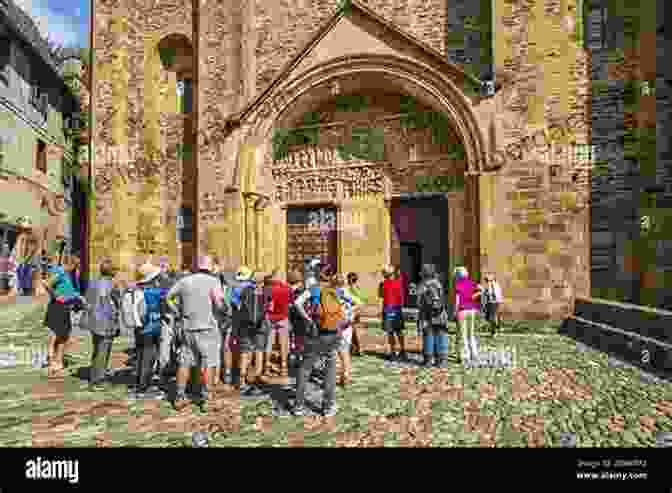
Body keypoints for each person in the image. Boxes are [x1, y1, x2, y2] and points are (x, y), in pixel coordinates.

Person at [166, 256, 226, 412]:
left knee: (184, 362)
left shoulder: (185, 281)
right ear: (211, 267)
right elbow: (219, 305)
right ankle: (207, 399)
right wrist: (223, 311)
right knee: (208, 363)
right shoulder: (213, 282)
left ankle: (179, 397)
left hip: (187, 327)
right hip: (207, 327)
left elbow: (168, 297)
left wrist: (177, 311)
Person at [293, 268, 345, 417]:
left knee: (305, 368)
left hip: (315, 332)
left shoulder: (313, 289)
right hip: (333, 333)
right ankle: (328, 407)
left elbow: (297, 303)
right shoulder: (335, 290)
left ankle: (298, 406)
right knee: (330, 370)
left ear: (317, 275)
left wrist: (307, 319)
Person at [42, 256, 85, 378]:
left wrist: (80, 298)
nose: (77, 269)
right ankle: (55, 362)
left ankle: (55, 361)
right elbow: (46, 283)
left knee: (59, 335)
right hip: (59, 307)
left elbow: (70, 291)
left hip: (62, 306)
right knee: (60, 336)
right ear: (71, 265)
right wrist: (56, 296)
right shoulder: (61, 272)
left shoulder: (67, 274)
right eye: (76, 266)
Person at [130, 263, 169, 399]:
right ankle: (143, 389)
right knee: (149, 357)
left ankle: (139, 384)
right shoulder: (155, 292)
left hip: (139, 328)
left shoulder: (137, 290)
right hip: (151, 328)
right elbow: (167, 302)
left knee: (140, 356)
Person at [84, 258, 120, 391]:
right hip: (106, 321)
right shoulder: (111, 285)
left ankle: (95, 374)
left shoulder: (93, 282)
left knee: (97, 350)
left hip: (94, 320)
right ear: (111, 271)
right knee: (103, 351)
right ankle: (97, 380)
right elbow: (116, 302)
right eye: (115, 269)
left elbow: (88, 300)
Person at [230, 267, 266, 396]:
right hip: (260, 326)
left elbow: (236, 305)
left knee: (245, 352)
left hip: (245, 325)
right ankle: (256, 380)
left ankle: (241, 380)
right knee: (259, 351)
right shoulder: (266, 291)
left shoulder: (243, 290)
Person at [417, 264, 450, 368]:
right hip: (440, 314)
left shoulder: (423, 285)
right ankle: (441, 360)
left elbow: (419, 303)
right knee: (441, 336)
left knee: (428, 336)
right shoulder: (438, 284)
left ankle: (428, 360)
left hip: (427, 315)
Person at [263, 269, 291, 378]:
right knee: (283, 343)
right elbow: (290, 302)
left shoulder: (267, 288)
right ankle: (284, 367)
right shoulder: (287, 289)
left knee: (268, 343)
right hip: (283, 317)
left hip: (269, 317)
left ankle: (266, 367)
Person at [333, 273, 358, 386]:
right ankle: (345, 375)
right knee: (345, 352)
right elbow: (359, 303)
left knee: (335, 351)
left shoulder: (332, 292)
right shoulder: (345, 292)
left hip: (336, 324)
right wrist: (350, 313)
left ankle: (336, 375)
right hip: (346, 325)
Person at [378, 264, 407, 361]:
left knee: (390, 332)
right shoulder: (399, 282)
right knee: (399, 331)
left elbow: (381, 295)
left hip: (387, 308)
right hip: (397, 308)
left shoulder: (382, 284)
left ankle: (393, 352)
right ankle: (403, 350)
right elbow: (402, 296)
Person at [454, 267, 480, 364]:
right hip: (472, 310)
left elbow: (457, 299)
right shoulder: (471, 282)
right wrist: (472, 297)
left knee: (463, 334)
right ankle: (474, 353)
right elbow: (480, 290)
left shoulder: (459, 283)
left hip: (463, 310)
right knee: (471, 334)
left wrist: (455, 311)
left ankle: (465, 356)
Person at [287, 270, 306, 365]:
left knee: (290, 339)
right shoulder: (302, 291)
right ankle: (298, 358)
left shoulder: (286, 289)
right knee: (300, 340)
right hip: (299, 318)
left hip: (288, 318)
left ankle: (292, 357)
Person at [345, 272, 366, 356]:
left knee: (354, 330)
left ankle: (357, 348)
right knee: (353, 330)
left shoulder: (351, 288)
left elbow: (359, 301)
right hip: (354, 311)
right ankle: (356, 348)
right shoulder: (357, 288)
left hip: (353, 311)